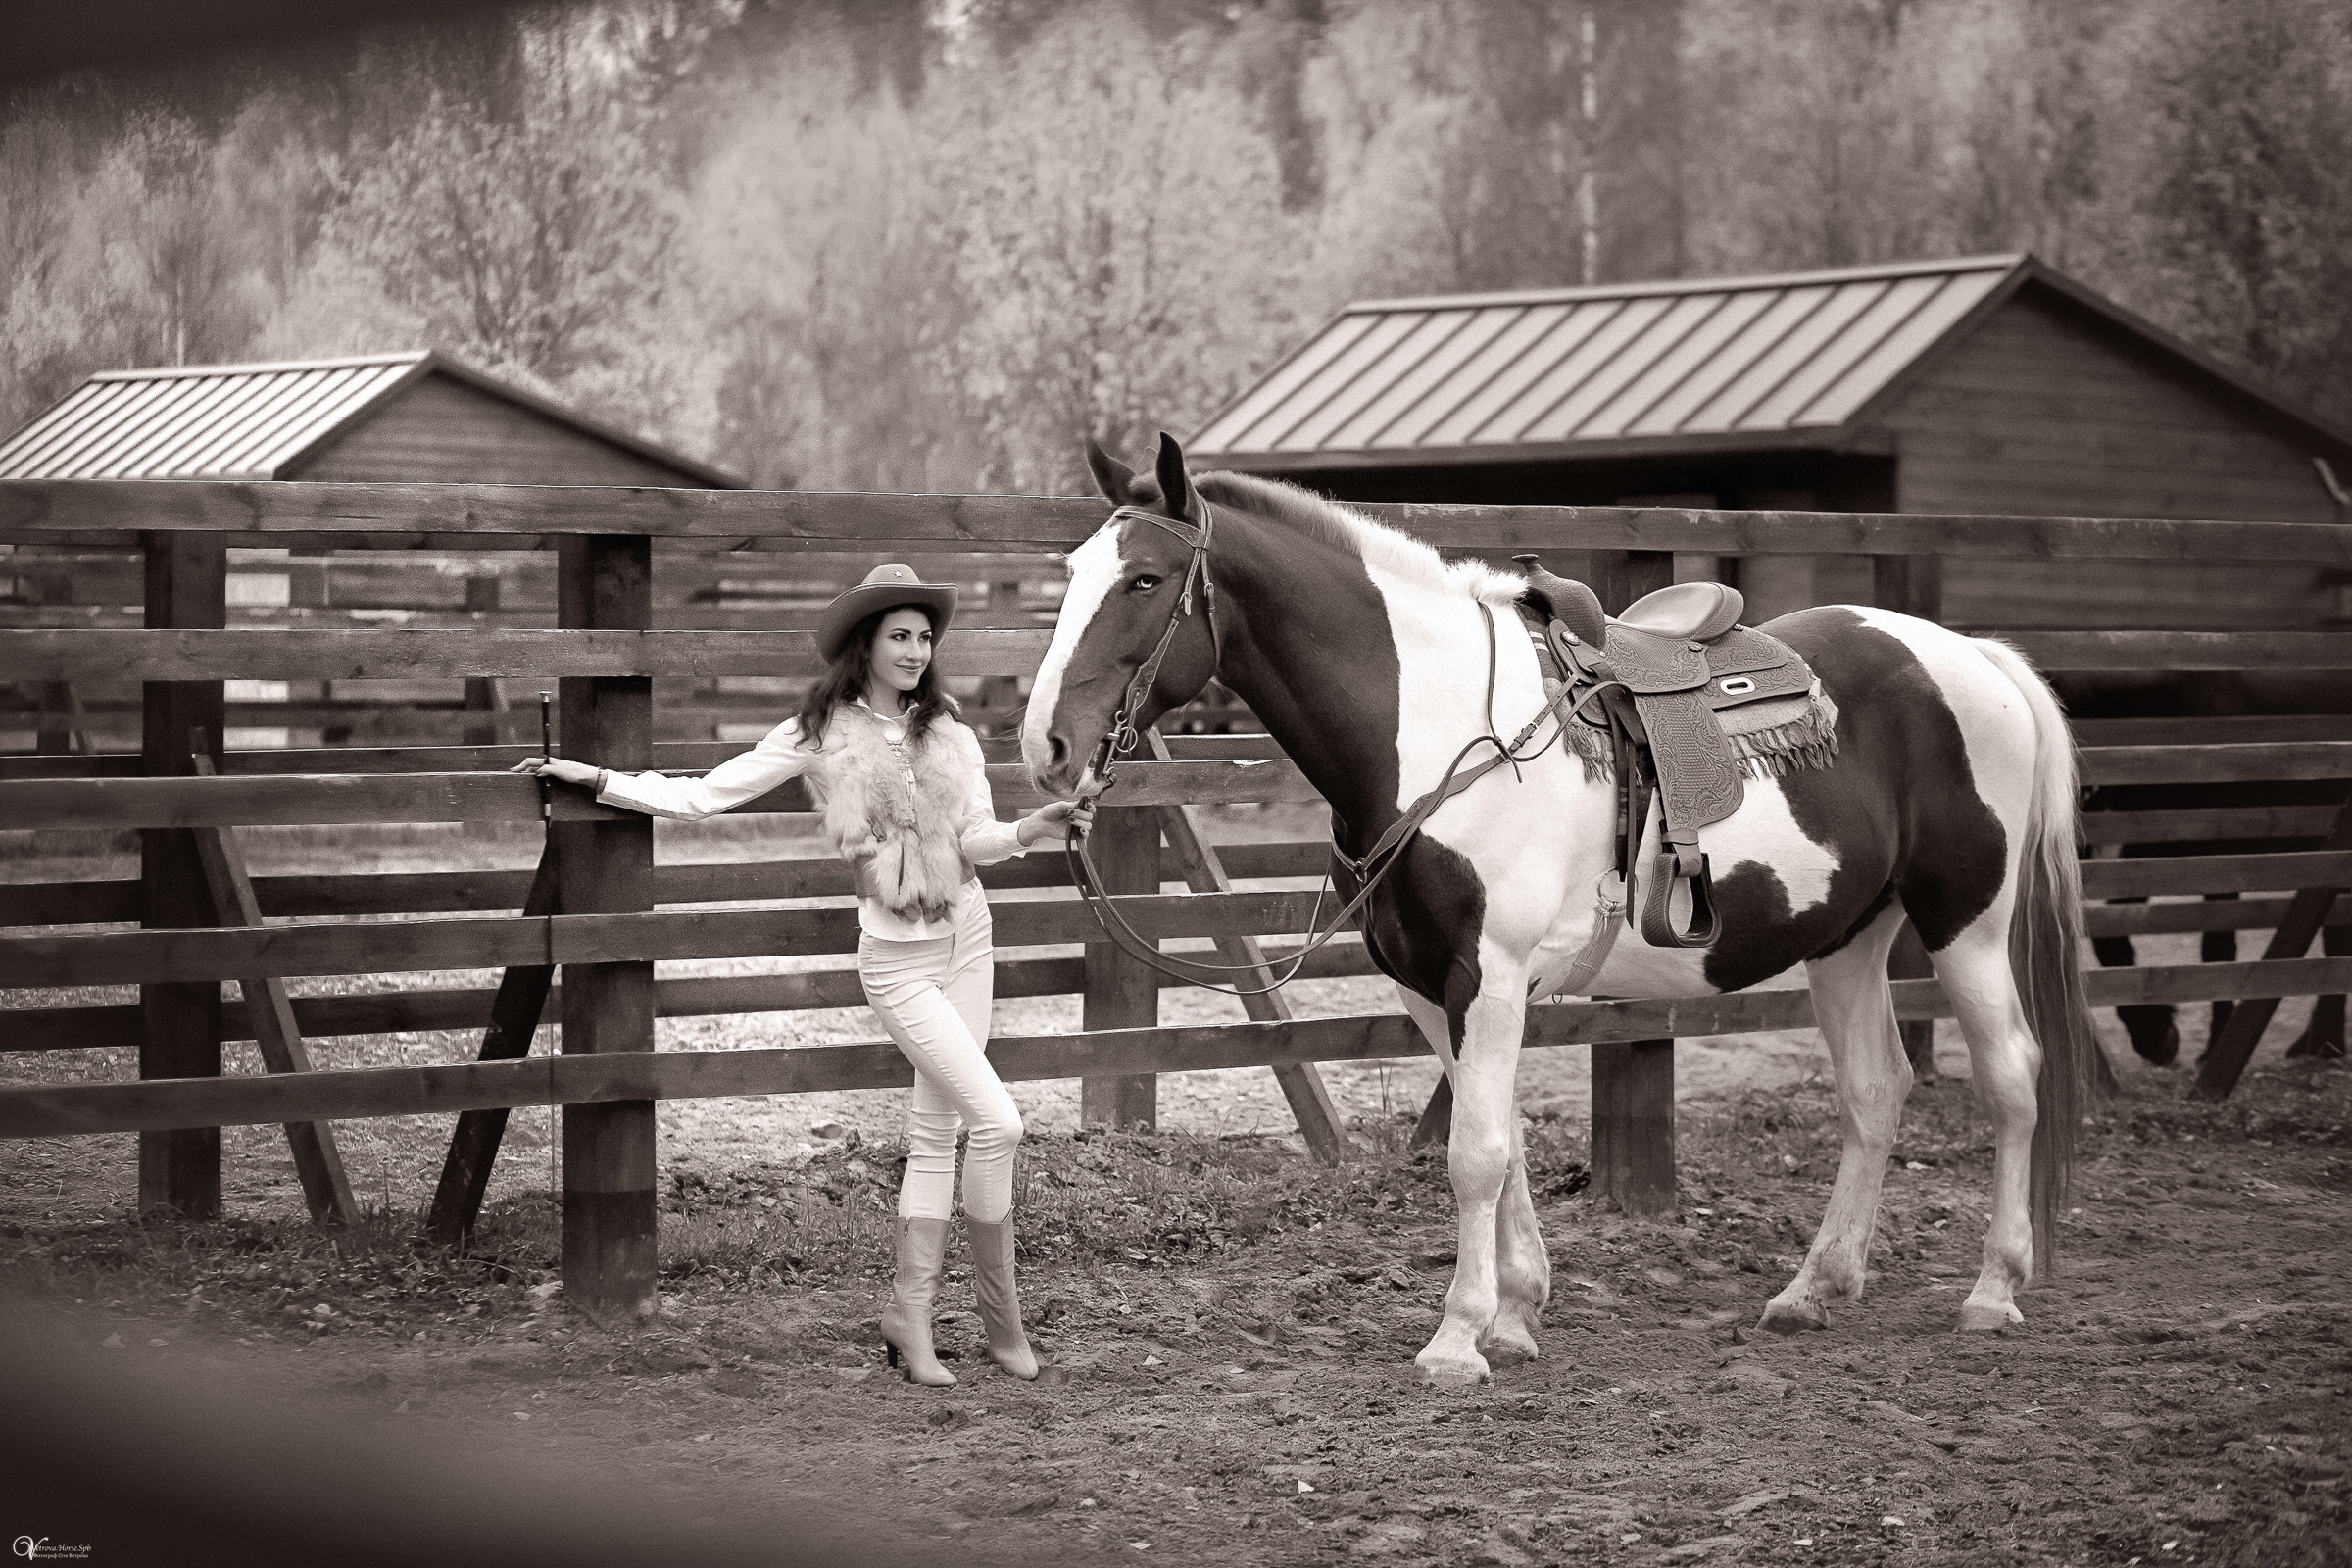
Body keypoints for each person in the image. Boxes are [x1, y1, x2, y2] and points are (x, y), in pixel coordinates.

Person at [514, 563, 1091, 1386]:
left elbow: (976, 843)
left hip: (970, 940)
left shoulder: (953, 736)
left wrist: (1031, 825)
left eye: (925, 637)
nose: (917, 651)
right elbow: (706, 796)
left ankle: (938, 1322)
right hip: (897, 962)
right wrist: (596, 778)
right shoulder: (821, 733)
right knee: (999, 1121)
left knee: (941, 1134)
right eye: (900, 635)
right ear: (866, 644)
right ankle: (959, 1313)